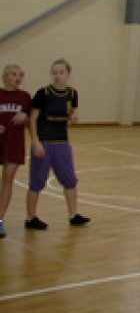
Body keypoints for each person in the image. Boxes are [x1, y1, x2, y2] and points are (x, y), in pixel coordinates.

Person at [25, 59, 89, 230]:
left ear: (68, 74)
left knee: (70, 179)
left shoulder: (72, 93)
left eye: (61, 72)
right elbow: (33, 118)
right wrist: (35, 141)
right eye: (54, 72)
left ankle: (73, 214)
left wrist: (72, 117)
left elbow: (70, 112)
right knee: (37, 181)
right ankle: (31, 217)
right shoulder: (43, 93)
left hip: (62, 142)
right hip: (44, 142)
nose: (57, 76)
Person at [0, 64, 32, 238]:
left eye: (21, 75)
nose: (18, 77)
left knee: (7, 178)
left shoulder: (25, 97)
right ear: (4, 77)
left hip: (13, 144)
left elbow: (34, 119)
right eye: (14, 74)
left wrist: (26, 117)